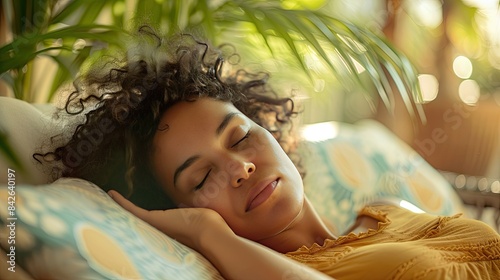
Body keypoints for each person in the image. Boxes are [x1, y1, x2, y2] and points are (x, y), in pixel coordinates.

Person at [37, 26, 500, 279]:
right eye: (201, 180)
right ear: (174, 211)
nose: (239, 167)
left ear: (271, 128)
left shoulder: (386, 210)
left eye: (239, 137)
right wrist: (208, 234)